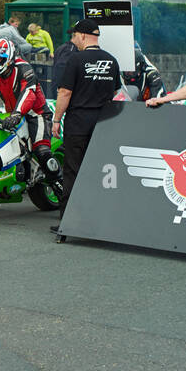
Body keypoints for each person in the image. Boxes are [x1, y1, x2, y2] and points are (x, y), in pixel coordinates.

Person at [52, 19, 121, 230]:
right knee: (101, 171)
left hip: (78, 124)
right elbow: (117, 91)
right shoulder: (111, 60)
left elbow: (65, 92)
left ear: (82, 36)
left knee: (73, 170)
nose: (74, 41)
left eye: (74, 36)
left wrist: (56, 119)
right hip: (104, 125)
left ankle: (69, 221)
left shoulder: (76, 60)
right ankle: (101, 219)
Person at [0, 37, 65, 197]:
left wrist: (17, 114)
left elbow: (29, 94)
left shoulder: (24, 69)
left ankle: (62, 192)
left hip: (35, 113)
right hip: (10, 113)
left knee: (42, 151)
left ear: (8, 58)